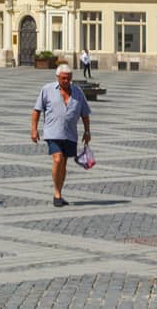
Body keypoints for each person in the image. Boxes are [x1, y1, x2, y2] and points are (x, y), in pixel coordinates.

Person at [31, 64, 92, 207]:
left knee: (63, 163)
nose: (66, 81)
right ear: (57, 77)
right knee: (58, 159)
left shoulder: (77, 92)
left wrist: (87, 131)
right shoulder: (47, 90)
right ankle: (56, 194)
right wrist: (34, 129)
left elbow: (85, 114)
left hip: (70, 134)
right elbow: (36, 111)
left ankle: (59, 192)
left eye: (69, 78)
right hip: (53, 132)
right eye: (63, 78)